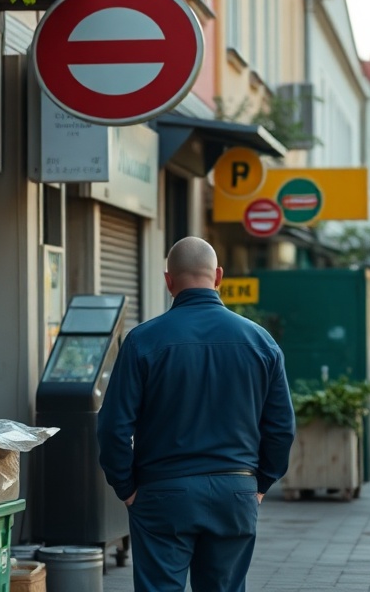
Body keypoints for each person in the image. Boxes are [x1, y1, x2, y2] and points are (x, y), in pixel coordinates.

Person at [97, 237, 295, 592]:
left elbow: (112, 426)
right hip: (235, 490)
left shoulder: (142, 341)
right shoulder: (261, 342)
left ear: (168, 280)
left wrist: (125, 487)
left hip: (162, 492)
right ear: (218, 276)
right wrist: (261, 483)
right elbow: (281, 428)